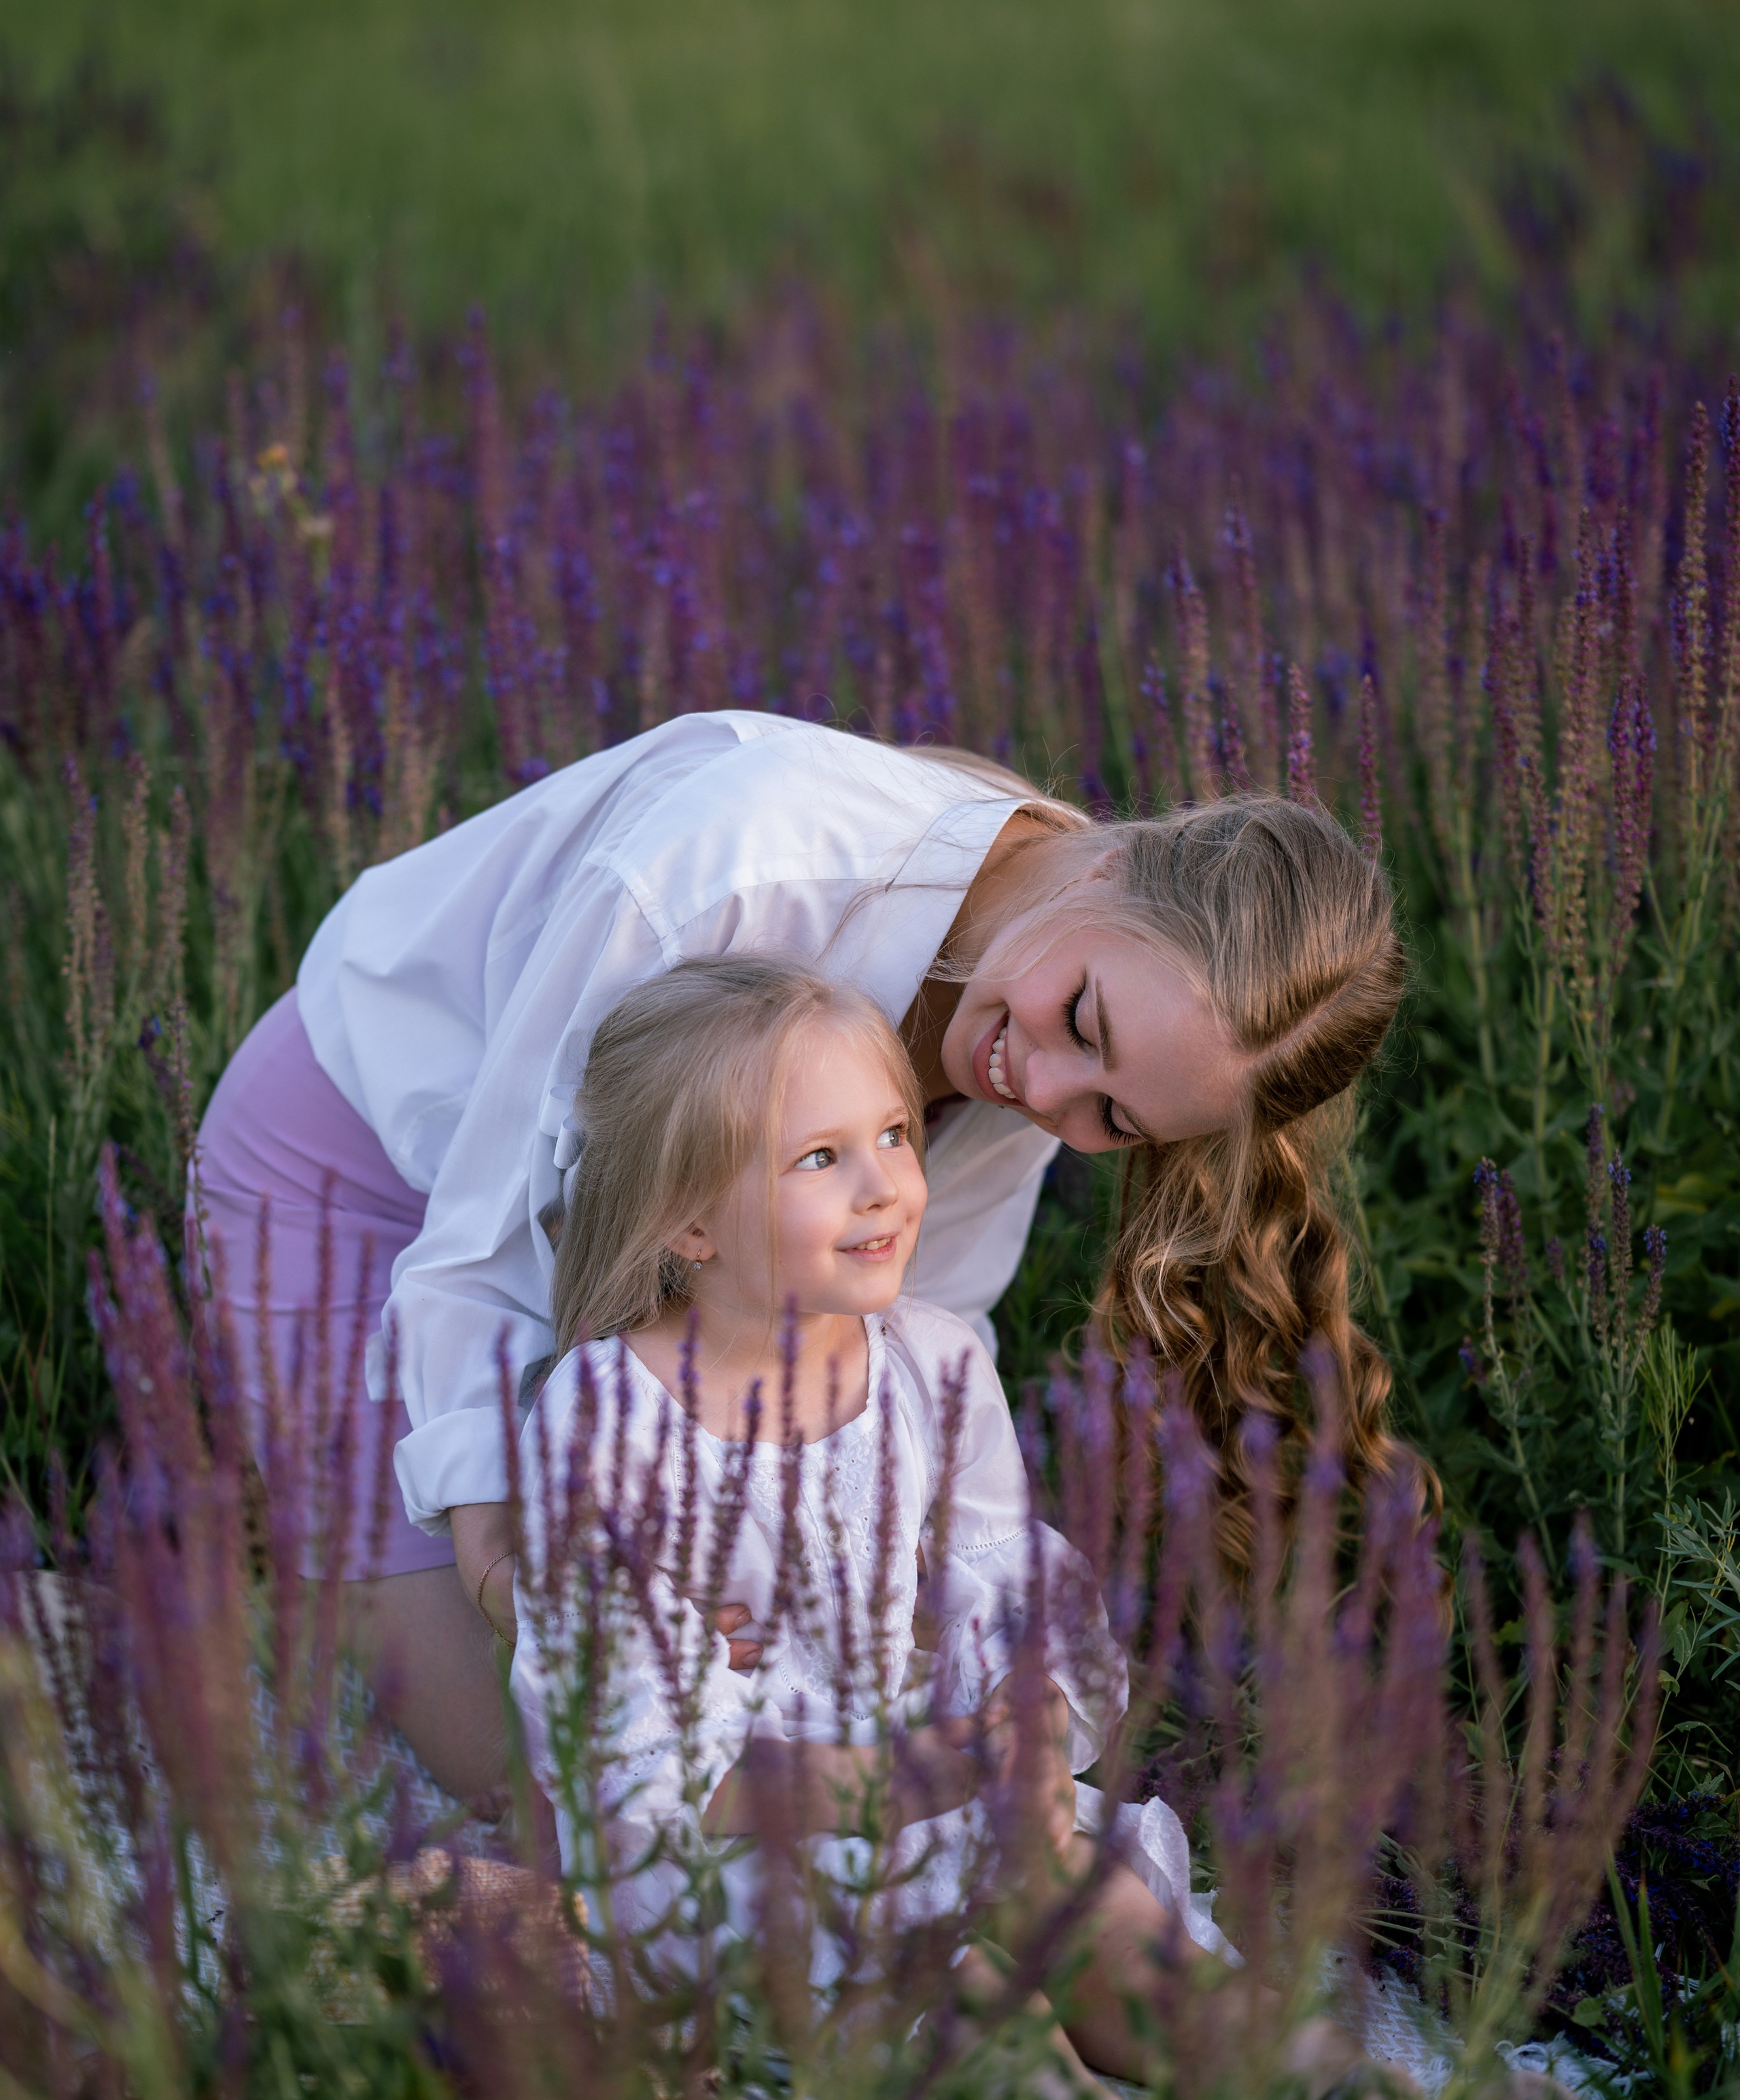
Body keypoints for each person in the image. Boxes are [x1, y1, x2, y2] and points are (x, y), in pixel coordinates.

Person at [194, 708, 1406, 1801]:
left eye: (1114, 1120)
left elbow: (910, 1329)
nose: (1040, 1092)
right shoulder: (744, 864)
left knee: (779, 1754)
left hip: (628, 1308)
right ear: (1110, 864)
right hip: (357, 1167)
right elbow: (486, 1253)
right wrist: (518, 1561)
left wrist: (909, 1590)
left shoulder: (1043, 1046)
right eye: (1081, 1021)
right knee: (544, 1775)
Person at [510, 956, 1230, 2081]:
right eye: (819, 1157)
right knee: (964, 2011)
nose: (885, 1185)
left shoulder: (932, 1366)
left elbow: (1008, 1588)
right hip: (756, 1847)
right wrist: (909, 1785)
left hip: (941, 1786)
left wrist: (1022, 1719)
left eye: (895, 1133)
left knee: (1118, 1938)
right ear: (690, 1225)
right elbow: (635, 1763)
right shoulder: (612, 1416)